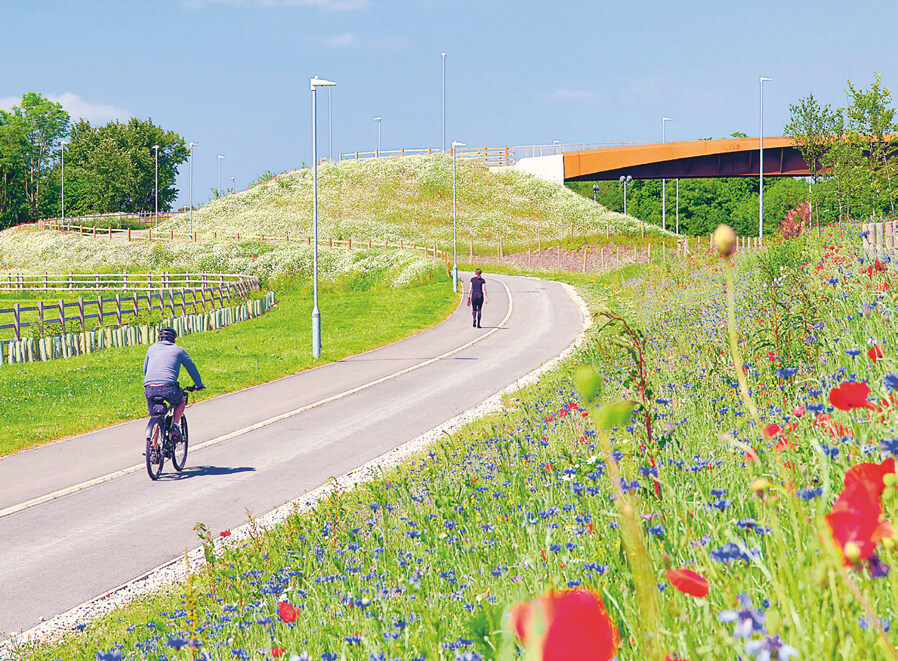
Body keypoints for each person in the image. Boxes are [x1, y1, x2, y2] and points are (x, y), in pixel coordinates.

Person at [143, 327, 204, 441]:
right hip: (168, 388)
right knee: (181, 399)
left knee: (156, 415)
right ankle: (175, 426)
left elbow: (145, 369)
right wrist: (198, 384)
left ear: (160, 338)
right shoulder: (178, 350)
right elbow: (191, 368)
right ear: (174, 339)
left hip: (149, 388)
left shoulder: (151, 349)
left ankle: (153, 446)